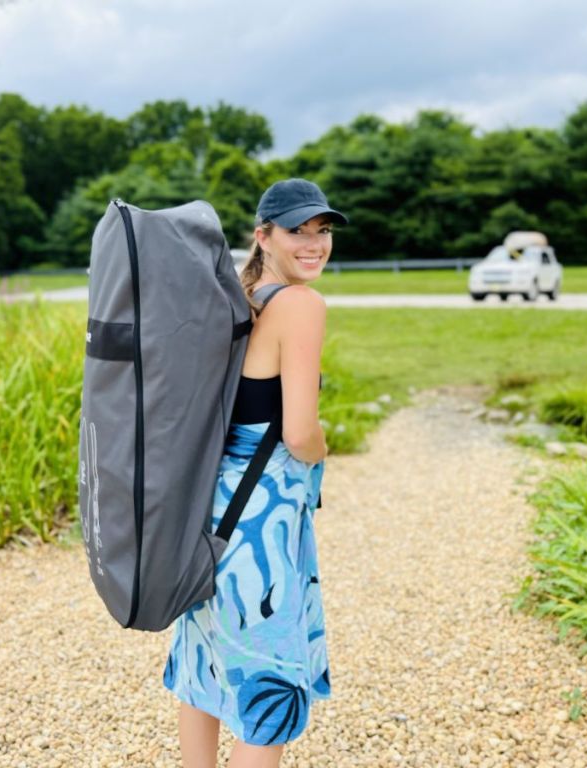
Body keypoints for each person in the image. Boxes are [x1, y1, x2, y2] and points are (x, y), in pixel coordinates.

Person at [162, 178, 347, 768]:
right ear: (263, 235)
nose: (314, 243)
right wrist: (323, 449)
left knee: (205, 672)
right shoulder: (300, 305)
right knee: (269, 692)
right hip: (258, 534)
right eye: (298, 230)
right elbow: (298, 431)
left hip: (209, 519)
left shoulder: (239, 298)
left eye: (323, 230)